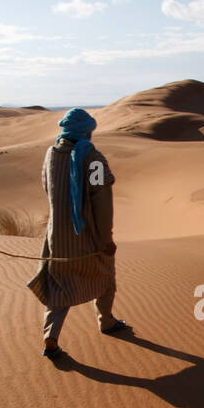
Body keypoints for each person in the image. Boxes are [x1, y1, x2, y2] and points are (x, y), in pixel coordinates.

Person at [27, 108, 130, 358]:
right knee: (105, 275)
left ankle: (50, 336)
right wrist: (106, 238)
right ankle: (106, 321)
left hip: (57, 234)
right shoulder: (92, 158)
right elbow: (101, 199)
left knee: (59, 282)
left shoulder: (51, 154)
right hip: (88, 234)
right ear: (86, 131)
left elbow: (46, 186)